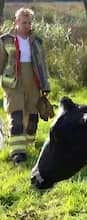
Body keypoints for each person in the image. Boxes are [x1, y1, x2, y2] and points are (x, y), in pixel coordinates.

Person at [0, 8, 50, 164]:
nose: (27, 25)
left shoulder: (37, 41)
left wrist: (45, 85)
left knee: (33, 119)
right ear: (16, 22)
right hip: (13, 83)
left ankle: (28, 144)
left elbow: (42, 64)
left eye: (29, 22)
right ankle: (18, 153)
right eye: (23, 22)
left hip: (33, 82)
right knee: (17, 117)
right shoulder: (5, 40)